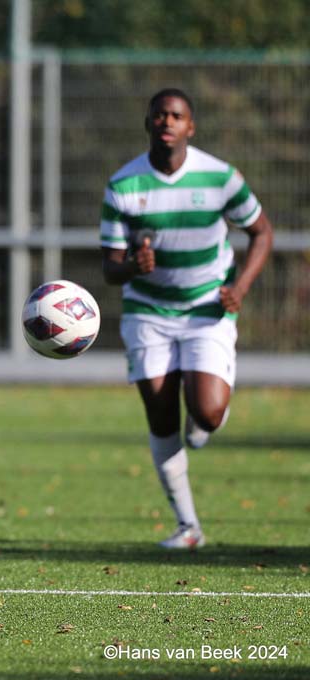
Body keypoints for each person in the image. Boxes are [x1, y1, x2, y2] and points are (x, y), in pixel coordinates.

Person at [100, 88, 273, 550]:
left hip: (205, 307)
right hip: (148, 311)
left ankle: (206, 415)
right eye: (159, 114)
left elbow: (261, 233)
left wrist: (239, 289)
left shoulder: (220, 178)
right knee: (160, 413)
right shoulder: (124, 185)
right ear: (148, 123)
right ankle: (188, 526)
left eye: (176, 115)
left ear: (190, 127)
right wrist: (132, 267)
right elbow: (110, 268)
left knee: (208, 413)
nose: (167, 121)